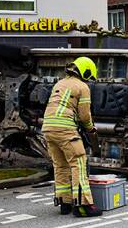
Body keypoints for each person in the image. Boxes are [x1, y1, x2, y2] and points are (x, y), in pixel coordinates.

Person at [42, 56, 101, 217]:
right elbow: (84, 116)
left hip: (48, 128)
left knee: (60, 165)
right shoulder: (82, 87)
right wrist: (91, 129)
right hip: (65, 129)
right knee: (79, 163)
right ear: (86, 71)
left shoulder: (59, 83)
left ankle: (64, 203)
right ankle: (83, 205)